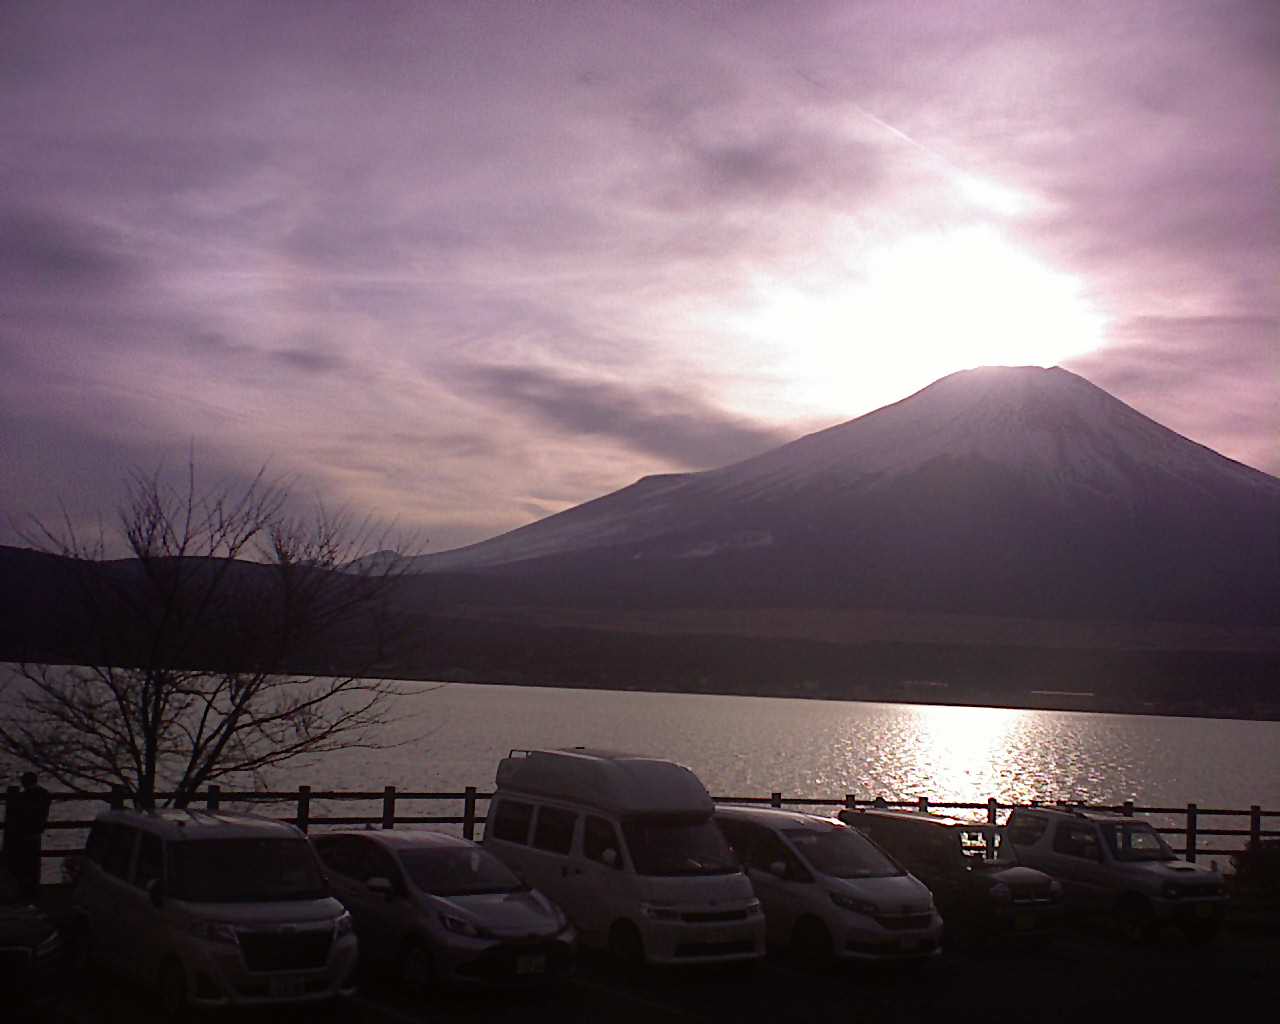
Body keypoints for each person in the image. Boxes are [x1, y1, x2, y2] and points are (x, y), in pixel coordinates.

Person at [3, 772, 52, 899]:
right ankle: (32, 889)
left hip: (23, 833)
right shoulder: (44, 794)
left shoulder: (24, 797)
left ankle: (24, 890)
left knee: (23, 863)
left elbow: (19, 815)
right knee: (33, 863)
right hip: (36, 832)